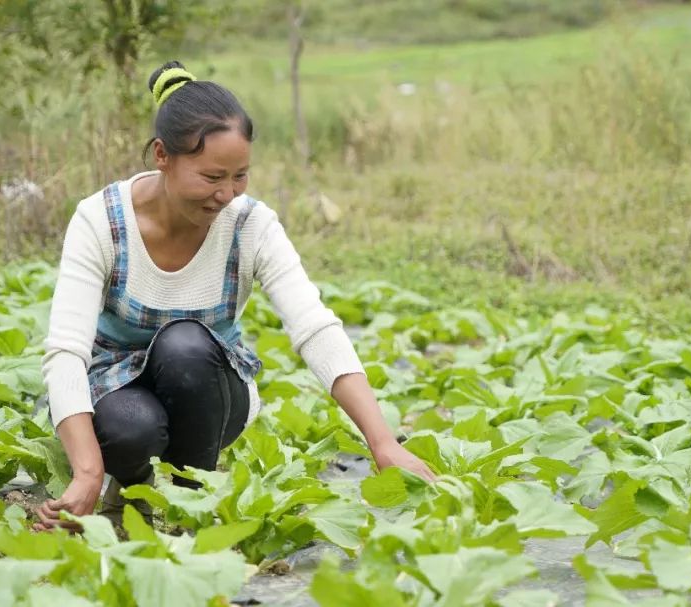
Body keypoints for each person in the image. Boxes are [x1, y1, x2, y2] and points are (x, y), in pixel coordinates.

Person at [33, 61, 436, 533]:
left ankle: (193, 500)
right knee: (128, 429)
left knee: (185, 344)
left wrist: (382, 441)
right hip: (113, 383)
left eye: (240, 176)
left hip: (211, 391)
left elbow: (315, 327)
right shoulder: (101, 220)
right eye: (211, 177)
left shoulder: (251, 225)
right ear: (162, 155)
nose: (227, 194)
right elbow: (66, 351)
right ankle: (129, 484)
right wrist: (87, 471)